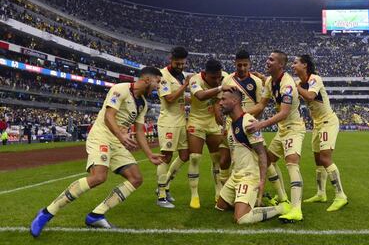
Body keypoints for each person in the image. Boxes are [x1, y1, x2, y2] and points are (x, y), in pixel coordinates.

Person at [30, 67, 164, 237]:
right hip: (101, 136)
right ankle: (47, 213)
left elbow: (139, 131)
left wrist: (149, 154)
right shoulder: (121, 89)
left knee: (136, 179)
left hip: (117, 141)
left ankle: (96, 215)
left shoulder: (143, 104)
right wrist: (121, 136)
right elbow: (109, 116)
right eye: (157, 82)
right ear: (146, 80)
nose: (158, 86)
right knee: (99, 177)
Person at [220, 50, 288, 204]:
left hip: (250, 126)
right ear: (235, 63)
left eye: (245, 65)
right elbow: (223, 103)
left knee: (265, 160)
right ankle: (230, 194)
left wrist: (246, 119)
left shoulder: (257, 82)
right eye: (239, 65)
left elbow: (261, 105)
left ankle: (282, 196)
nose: (242, 68)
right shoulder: (227, 81)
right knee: (229, 160)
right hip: (231, 127)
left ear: (249, 64)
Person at [247, 50, 306, 223]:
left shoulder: (287, 85)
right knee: (268, 160)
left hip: (293, 128)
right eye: (267, 58)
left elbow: (284, 113)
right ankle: (284, 199)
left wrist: (260, 124)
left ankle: (296, 210)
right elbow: (261, 105)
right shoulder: (271, 81)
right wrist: (239, 116)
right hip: (282, 130)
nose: (267, 61)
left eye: (271, 59)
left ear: (281, 64)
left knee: (292, 163)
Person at [215, 89, 290, 224]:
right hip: (236, 176)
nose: (220, 103)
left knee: (242, 219)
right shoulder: (232, 124)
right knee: (220, 206)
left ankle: (280, 208)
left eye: (223, 99)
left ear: (235, 101)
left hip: (249, 177)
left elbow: (262, 153)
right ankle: (248, 201)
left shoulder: (248, 121)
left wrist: (261, 181)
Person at [293, 55, 348, 212]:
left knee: (325, 158)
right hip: (317, 124)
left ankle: (340, 195)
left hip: (328, 122)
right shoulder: (299, 83)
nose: (293, 65)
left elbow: (310, 96)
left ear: (305, 65)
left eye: (295, 63)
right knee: (318, 160)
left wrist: (295, 87)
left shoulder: (314, 78)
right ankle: (321, 193)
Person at [187, 59, 235, 209]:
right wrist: (220, 87)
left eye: (218, 77)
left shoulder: (224, 77)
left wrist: (217, 108)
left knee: (216, 159)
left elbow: (219, 99)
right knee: (195, 157)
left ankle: (218, 192)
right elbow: (200, 96)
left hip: (213, 123)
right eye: (213, 78)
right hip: (196, 121)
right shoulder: (195, 79)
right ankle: (194, 195)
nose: (216, 80)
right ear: (205, 74)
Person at [156, 46, 192, 208]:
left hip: (181, 120)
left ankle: (166, 185)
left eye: (183, 63)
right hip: (168, 121)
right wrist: (185, 86)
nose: (180, 66)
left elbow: (183, 99)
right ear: (171, 59)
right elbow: (169, 98)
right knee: (166, 157)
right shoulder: (162, 75)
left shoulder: (181, 75)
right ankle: (161, 195)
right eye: (178, 63)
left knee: (185, 155)